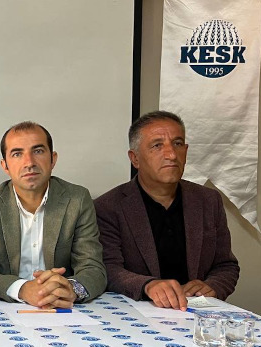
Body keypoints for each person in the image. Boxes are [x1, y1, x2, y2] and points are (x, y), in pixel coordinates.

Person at [94, 111, 239, 310]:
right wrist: (148, 285)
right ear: (135, 158)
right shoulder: (109, 206)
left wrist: (212, 286)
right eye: (157, 145)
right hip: (139, 312)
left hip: (196, 310)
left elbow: (226, 265)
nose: (171, 154)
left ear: (186, 151)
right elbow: (108, 269)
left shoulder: (208, 200)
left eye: (178, 144)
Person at [0, 121, 106, 307]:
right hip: (7, 306)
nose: (29, 163)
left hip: (60, 305)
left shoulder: (77, 199)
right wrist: (22, 289)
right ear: (5, 166)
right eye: (17, 154)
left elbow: (93, 268)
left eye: (38, 151)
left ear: (53, 159)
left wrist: (71, 288)